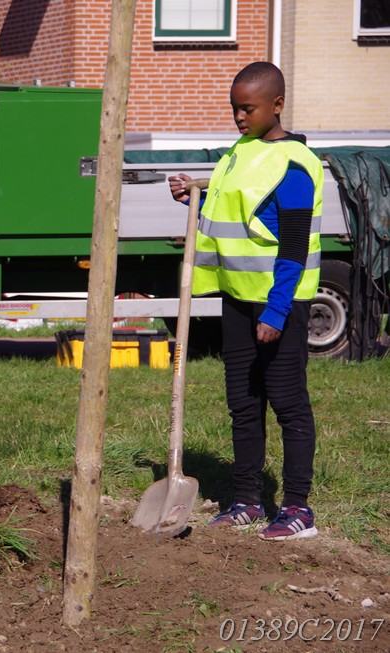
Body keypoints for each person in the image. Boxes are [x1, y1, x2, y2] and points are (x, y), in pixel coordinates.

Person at [168, 62, 323, 541]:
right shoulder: (240, 153)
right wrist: (192, 195)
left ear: (277, 105)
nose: (239, 116)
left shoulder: (294, 164)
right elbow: (234, 211)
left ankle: (297, 508)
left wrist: (276, 311)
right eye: (235, 107)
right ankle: (247, 501)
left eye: (248, 108)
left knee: (288, 404)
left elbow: (293, 245)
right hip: (237, 299)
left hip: (280, 304)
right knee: (243, 403)